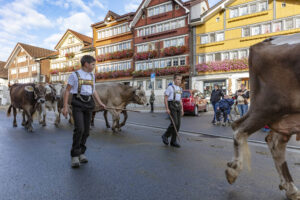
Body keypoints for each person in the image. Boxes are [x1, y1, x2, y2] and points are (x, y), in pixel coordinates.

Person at [62, 55, 106, 168]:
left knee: (86, 131)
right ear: (86, 64)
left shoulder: (92, 75)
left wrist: (100, 103)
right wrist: (65, 107)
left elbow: (93, 90)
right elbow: (67, 91)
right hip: (78, 103)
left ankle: (81, 152)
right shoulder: (74, 75)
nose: (94, 66)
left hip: (89, 103)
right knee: (79, 129)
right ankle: (75, 156)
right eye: (93, 64)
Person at [161, 73, 184, 148]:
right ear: (174, 80)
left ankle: (173, 141)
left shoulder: (180, 89)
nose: (179, 81)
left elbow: (180, 99)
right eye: (177, 79)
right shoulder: (170, 88)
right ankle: (165, 135)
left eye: (180, 79)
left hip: (178, 106)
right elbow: (165, 98)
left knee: (178, 125)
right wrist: (167, 108)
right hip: (172, 105)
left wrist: (182, 109)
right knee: (174, 123)